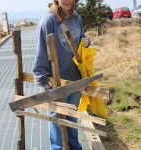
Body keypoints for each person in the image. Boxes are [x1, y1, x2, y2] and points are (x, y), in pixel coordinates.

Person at [33, 0, 90, 149]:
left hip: (76, 78)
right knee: (58, 118)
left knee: (72, 115)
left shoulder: (77, 18)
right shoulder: (48, 20)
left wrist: (87, 41)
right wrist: (41, 75)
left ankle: (75, 147)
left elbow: (80, 40)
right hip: (56, 79)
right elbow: (41, 48)